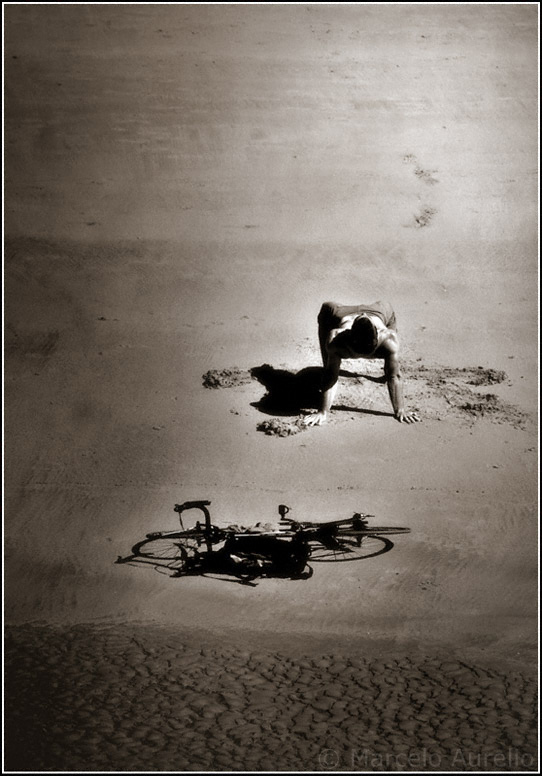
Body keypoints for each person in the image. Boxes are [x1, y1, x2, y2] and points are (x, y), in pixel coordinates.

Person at [304, 300, 420, 426]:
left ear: (378, 336)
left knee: (392, 368)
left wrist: (400, 410)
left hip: (379, 311)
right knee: (327, 309)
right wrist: (323, 412)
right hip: (342, 313)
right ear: (348, 335)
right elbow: (331, 376)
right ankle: (328, 363)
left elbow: (394, 376)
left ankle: (389, 365)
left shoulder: (389, 339)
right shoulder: (336, 339)